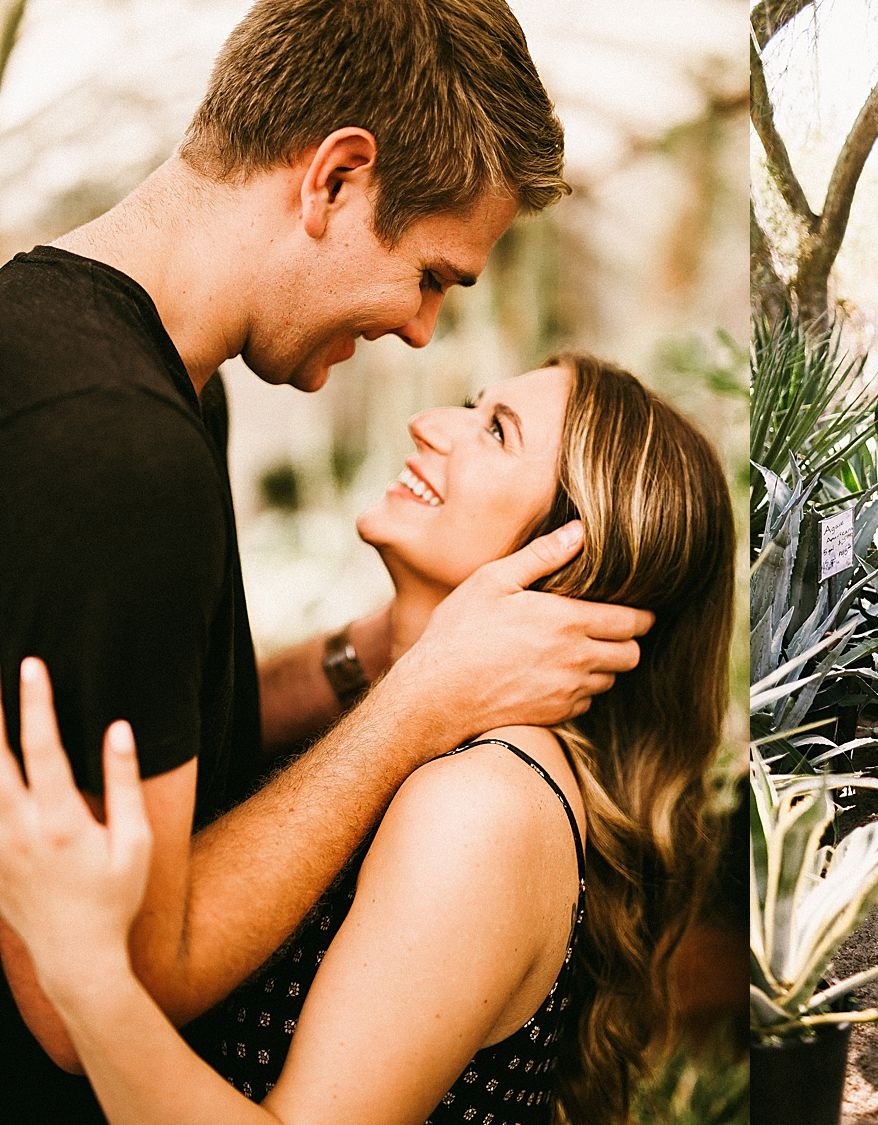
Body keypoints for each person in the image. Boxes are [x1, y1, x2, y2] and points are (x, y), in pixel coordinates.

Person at [0, 3, 651, 1118]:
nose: (420, 333)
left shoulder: (83, 355)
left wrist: (374, 657)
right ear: (337, 179)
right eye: (434, 274)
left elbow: (135, 735)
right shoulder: (122, 454)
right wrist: (417, 704)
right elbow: (88, 999)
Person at [0, 353, 735, 1122]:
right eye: (469, 401)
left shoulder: (482, 805)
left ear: (571, 557)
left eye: (494, 430)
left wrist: (90, 981)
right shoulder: (440, 744)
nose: (429, 425)